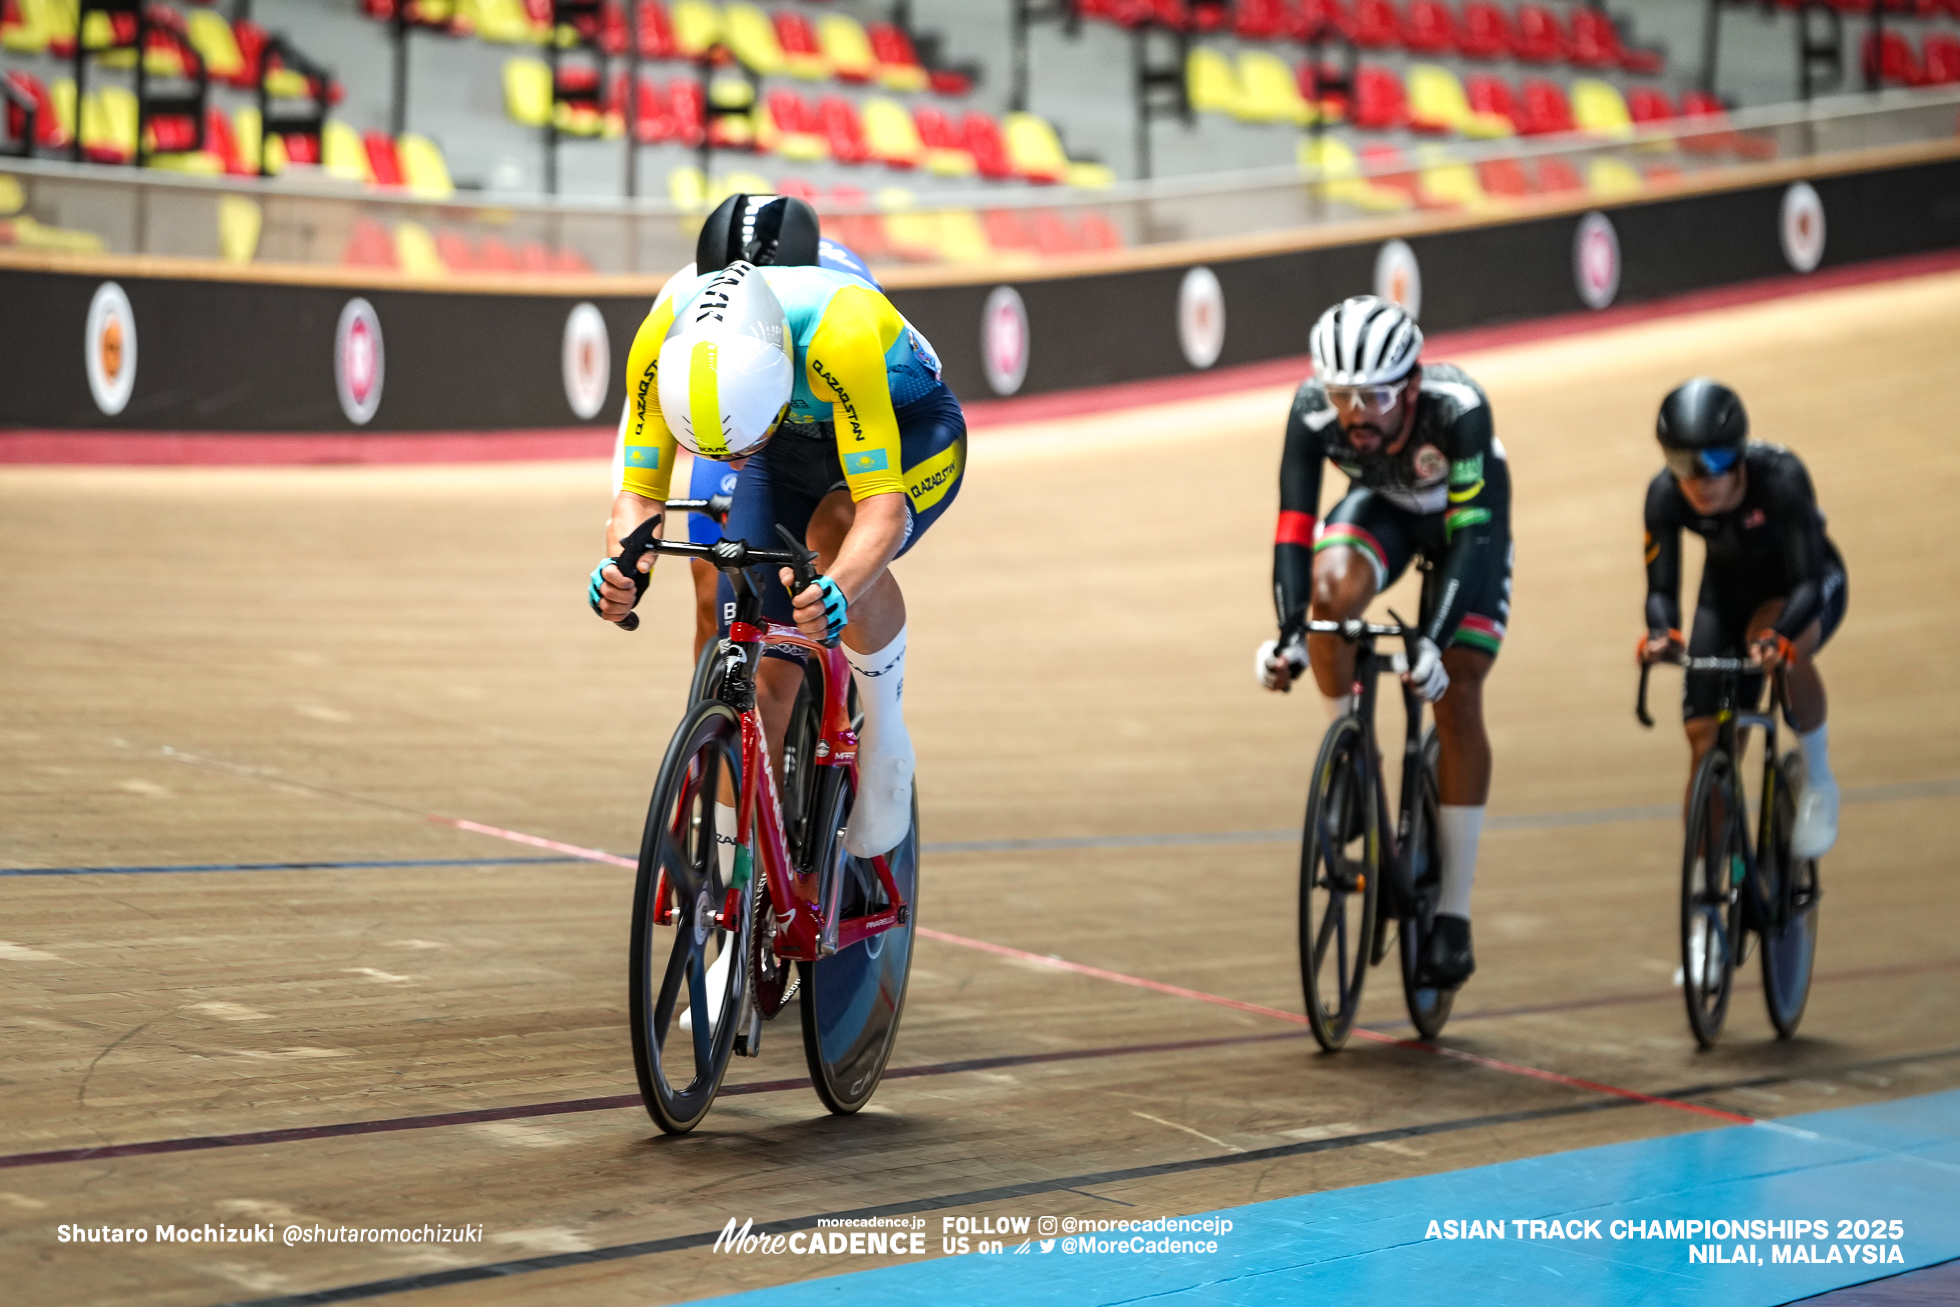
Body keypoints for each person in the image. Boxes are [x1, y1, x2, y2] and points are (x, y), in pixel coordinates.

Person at [589, 250, 963, 865]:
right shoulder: (660, 341)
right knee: (764, 677)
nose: (729, 464)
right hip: (785, 444)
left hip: (907, 426)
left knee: (833, 531)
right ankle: (739, 887)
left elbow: (883, 513)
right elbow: (638, 495)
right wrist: (622, 569)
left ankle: (887, 740)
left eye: (740, 445)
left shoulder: (839, 333)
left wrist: (838, 587)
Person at [1255, 296, 1512, 988]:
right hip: (1386, 512)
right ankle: (1350, 760)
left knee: (1456, 691)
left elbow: (1475, 538)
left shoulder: (1458, 410)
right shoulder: (1313, 409)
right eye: (1343, 395)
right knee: (1330, 599)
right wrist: (1289, 633)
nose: (1355, 412)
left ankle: (1453, 912)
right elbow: (1293, 528)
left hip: (1466, 531)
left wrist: (1430, 641)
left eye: (1373, 395)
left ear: (1413, 386)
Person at [610, 193, 888, 660]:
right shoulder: (679, 301)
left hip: (821, 418)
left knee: (825, 552)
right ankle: (717, 721)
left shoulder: (842, 290)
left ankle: (829, 681)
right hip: (727, 412)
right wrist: (626, 554)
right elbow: (639, 435)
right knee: (712, 582)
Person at [1636, 379, 1845, 857]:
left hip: (1800, 587)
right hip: (1724, 596)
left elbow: (1809, 582)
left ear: (1739, 454)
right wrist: (1661, 633)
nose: (1701, 480)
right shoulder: (1665, 497)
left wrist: (1782, 635)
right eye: (1683, 464)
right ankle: (1711, 904)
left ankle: (1820, 782)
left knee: (1778, 651)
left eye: (1716, 462)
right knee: (1707, 744)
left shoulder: (1782, 479)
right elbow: (1661, 590)